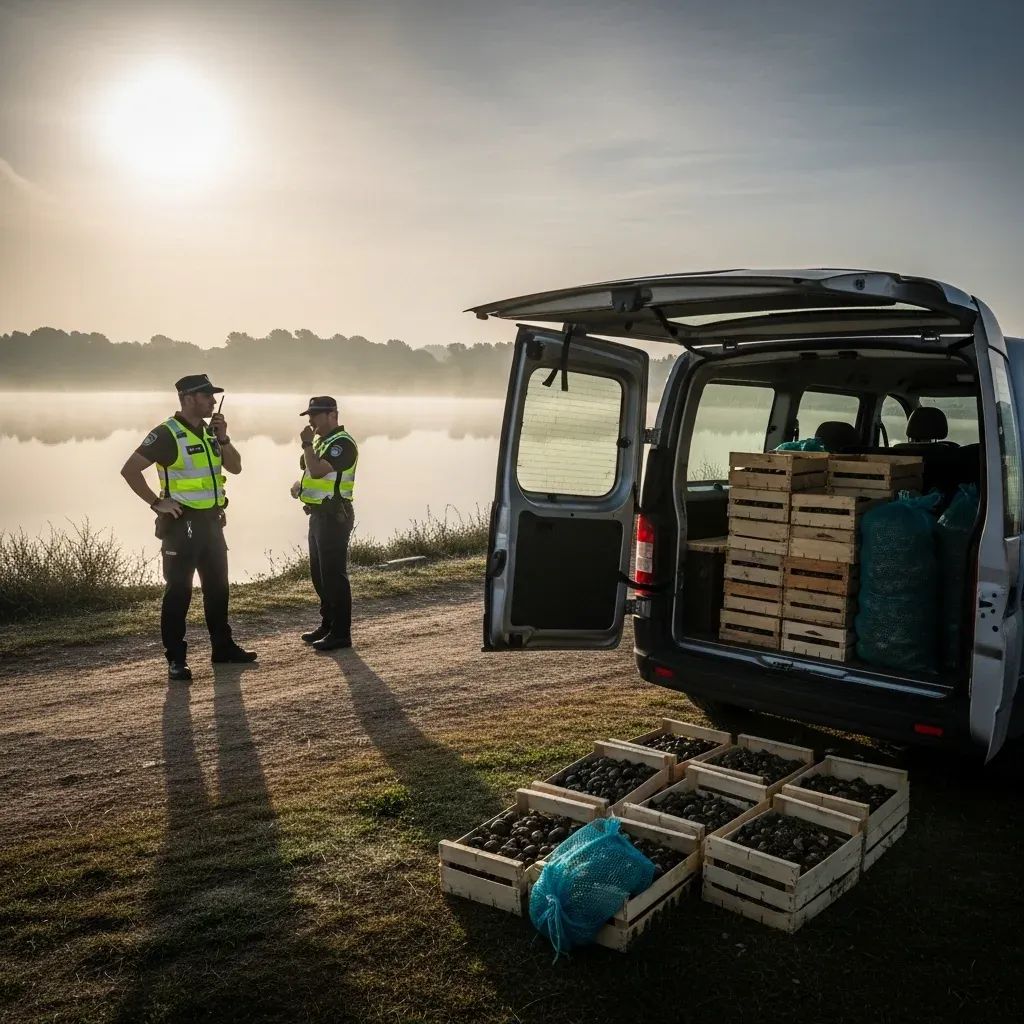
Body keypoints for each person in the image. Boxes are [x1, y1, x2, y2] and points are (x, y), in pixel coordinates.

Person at [120, 374, 257, 681]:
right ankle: (176, 660)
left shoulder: (210, 433)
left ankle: (223, 649)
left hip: (212, 523)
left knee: (218, 589)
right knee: (179, 592)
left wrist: (223, 437)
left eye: (213, 396)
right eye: (207, 395)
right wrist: (157, 503)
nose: (212, 400)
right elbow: (129, 470)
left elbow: (234, 467)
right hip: (182, 526)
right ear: (189, 398)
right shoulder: (166, 433)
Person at [291, 396, 358, 651]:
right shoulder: (323, 442)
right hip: (318, 515)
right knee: (319, 575)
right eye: (309, 415)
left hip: (334, 516)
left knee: (333, 576)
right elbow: (311, 472)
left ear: (333, 415)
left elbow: (319, 470)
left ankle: (341, 633)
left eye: (316, 415)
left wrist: (307, 443)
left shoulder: (343, 443)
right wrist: (300, 487)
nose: (311, 420)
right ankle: (328, 624)